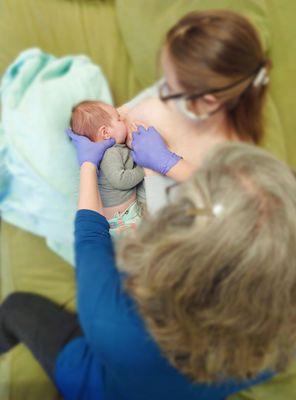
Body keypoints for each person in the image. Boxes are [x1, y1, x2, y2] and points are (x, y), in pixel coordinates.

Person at [1, 134, 296, 400]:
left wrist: (88, 164)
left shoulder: (110, 317)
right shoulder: (277, 344)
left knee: (16, 307)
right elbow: (260, 214)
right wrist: (168, 162)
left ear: (176, 250)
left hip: (97, 384)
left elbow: (91, 237)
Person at [70, 100, 144, 235]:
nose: (123, 119)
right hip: (123, 221)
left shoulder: (117, 149)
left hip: (126, 216)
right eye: (118, 118)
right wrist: (143, 168)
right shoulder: (111, 153)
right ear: (105, 132)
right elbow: (120, 180)